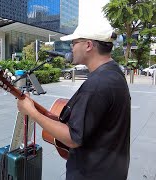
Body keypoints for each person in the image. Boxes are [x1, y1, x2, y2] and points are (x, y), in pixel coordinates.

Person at [17, 24, 130, 180]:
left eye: (75, 43)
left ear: (88, 45)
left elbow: (73, 138)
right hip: (111, 169)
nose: (71, 47)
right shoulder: (114, 72)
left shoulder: (97, 84)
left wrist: (32, 112)